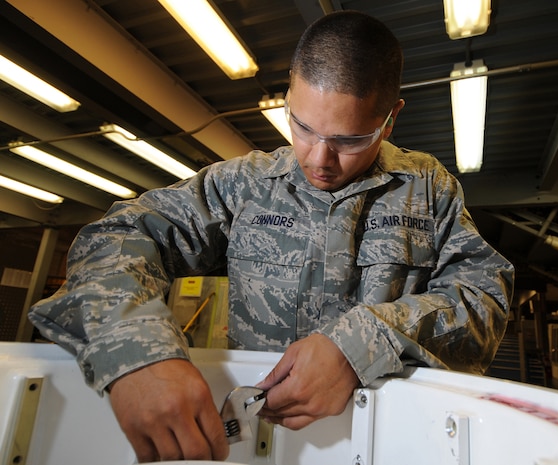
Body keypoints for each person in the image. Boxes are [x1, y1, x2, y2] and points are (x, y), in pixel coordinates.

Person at [29, 10, 514, 463]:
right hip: (257, 445)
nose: (319, 159)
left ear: (390, 118)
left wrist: (360, 343)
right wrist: (135, 352)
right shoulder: (242, 185)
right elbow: (117, 235)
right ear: (289, 94)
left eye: (348, 141)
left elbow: (483, 299)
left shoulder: (427, 189)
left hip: (382, 441)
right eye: (302, 127)